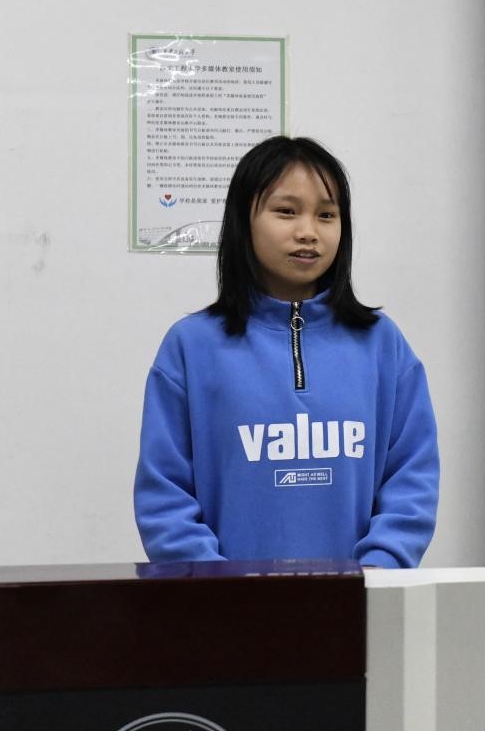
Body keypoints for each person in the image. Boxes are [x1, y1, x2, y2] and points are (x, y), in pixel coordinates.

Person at [134, 136, 439, 567]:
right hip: (226, 604)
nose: (308, 232)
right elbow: (165, 498)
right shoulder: (190, 347)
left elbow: (412, 479)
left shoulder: (382, 344)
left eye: (326, 215)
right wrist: (218, 588)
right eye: (286, 211)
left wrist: (376, 573)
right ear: (244, 221)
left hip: (360, 600)